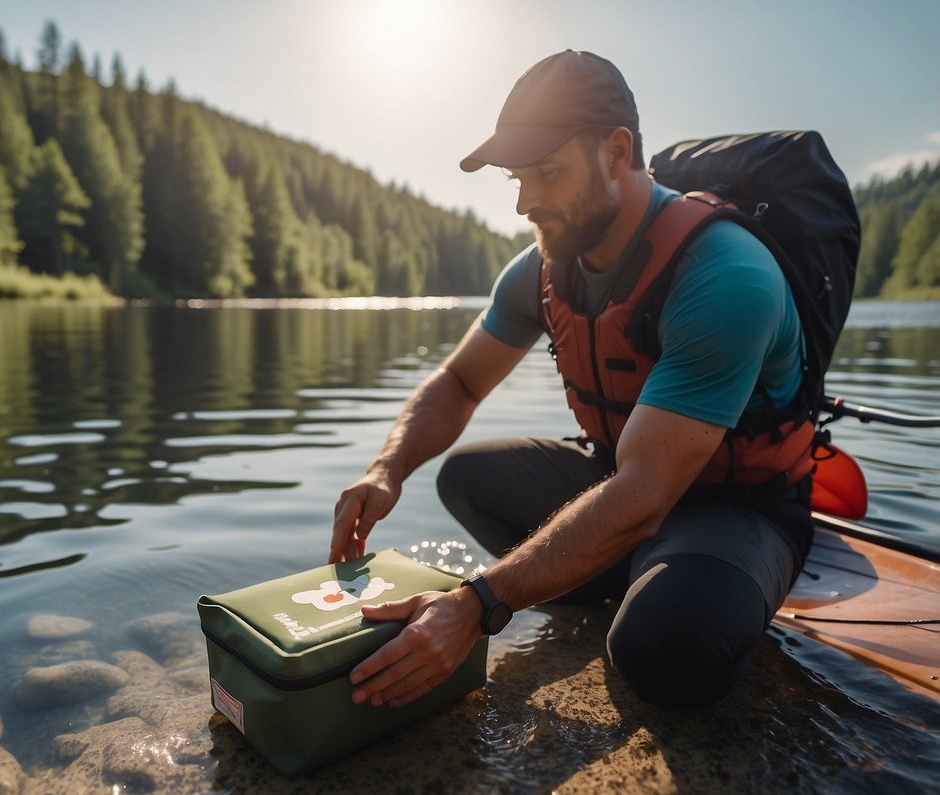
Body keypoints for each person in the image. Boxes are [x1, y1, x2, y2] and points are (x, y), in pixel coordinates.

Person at [327, 50, 815, 708]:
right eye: (515, 181)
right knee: (465, 479)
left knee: (663, 652)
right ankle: (628, 564)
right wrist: (386, 469)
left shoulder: (725, 275)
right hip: (622, 474)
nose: (526, 203)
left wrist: (476, 604)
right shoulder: (543, 267)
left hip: (731, 504)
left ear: (616, 153)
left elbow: (643, 492)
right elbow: (459, 383)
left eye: (546, 174)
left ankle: (667, 581)